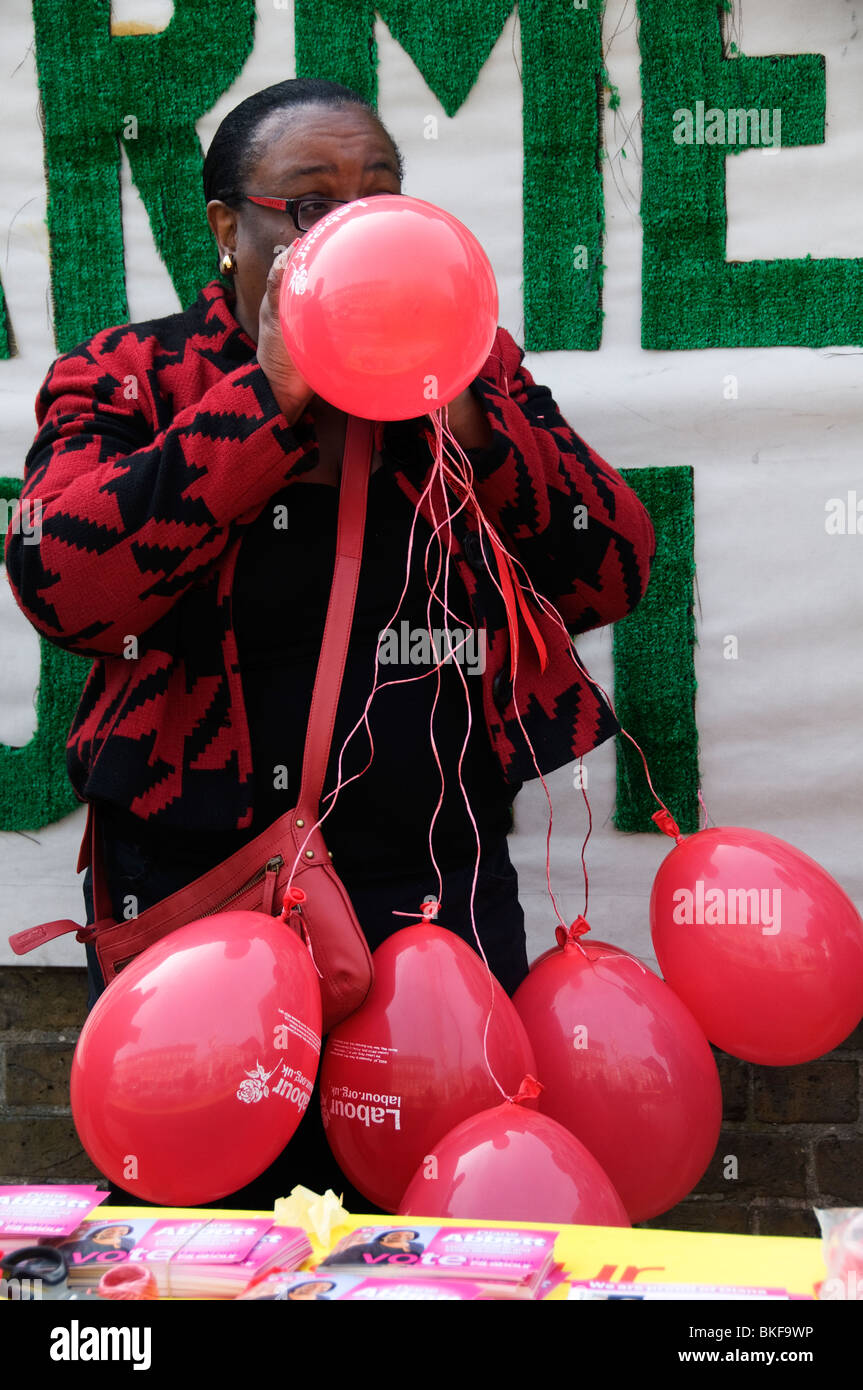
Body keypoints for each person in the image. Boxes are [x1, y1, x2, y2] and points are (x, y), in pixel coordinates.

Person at [5, 78, 655, 1211]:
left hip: (431, 896)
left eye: (378, 195)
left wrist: (467, 420)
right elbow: (64, 584)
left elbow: (613, 567)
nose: (350, 225)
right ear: (227, 229)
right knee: (209, 1226)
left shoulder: (471, 371)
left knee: (443, 1225)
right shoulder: (131, 375)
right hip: (204, 890)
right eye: (310, 203)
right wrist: (266, 401)